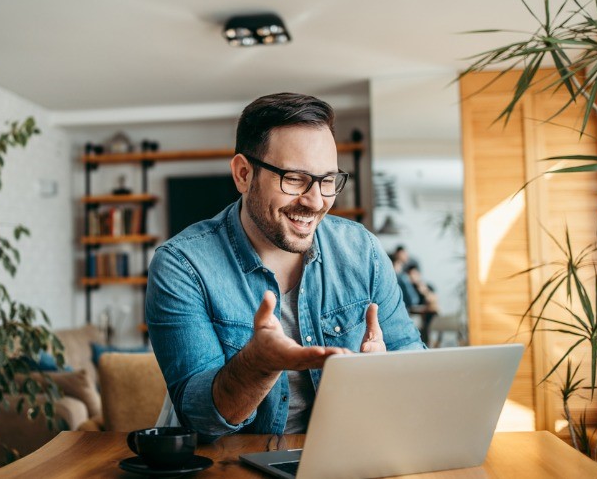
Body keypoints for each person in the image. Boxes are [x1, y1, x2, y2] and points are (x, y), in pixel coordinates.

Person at [145, 93, 424, 442]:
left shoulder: (361, 250)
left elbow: (413, 363)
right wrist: (257, 366)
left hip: (347, 454)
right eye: (294, 179)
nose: (316, 201)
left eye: (327, 180)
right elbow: (200, 420)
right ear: (244, 174)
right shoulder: (182, 266)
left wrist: (384, 375)